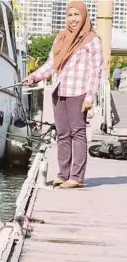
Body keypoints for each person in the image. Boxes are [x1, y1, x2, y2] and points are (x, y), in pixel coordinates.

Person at [23, 1, 103, 189]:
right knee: (62, 134)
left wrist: (90, 97)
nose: (73, 19)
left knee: (78, 133)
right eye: (70, 15)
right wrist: (34, 77)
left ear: (84, 16)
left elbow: (96, 71)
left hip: (79, 93)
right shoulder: (61, 37)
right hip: (59, 90)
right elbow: (51, 65)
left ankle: (76, 177)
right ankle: (63, 174)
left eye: (77, 15)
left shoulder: (92, 40)